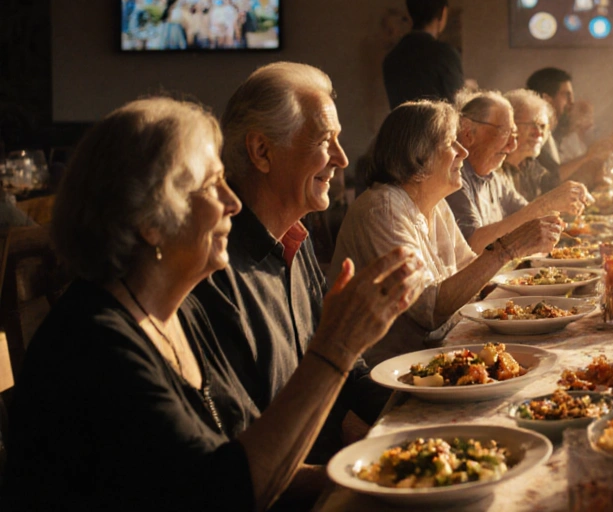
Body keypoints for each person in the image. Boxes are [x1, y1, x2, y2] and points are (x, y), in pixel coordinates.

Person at [1, 97, 416, 511]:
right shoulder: (92, 346)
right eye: (210, 185)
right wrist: (335, 350)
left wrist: (376, 472)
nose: (233, 203)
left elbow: (246, 452)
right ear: (149, 220)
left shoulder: (184, 311)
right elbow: (223, 491)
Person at [193, 62, 389, 460]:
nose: (342, 159)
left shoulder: (296, 240)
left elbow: (349, 375)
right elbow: (241, 462)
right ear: (262, 151)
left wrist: (441, 396)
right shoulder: (211, 270)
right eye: (324, 141)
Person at [332, 101, 562, 366]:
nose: (463, 152)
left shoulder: (436, 203)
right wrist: (508, 249)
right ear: (418, 156)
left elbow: (471, 276)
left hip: (438, 355)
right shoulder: (383, 209)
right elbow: (430, 311)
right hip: (391, 372)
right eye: (451, 143)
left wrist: (542, 296)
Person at [446, 90, 590, 254]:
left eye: (514, 134)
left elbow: (529, 217)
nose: (511, 146)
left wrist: (557, 208)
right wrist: (545, 204)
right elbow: (472, 246)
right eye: (505, 132)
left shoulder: (494, 177)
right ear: (467, 131)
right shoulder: (453, 176)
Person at [525, 67, 613, 186]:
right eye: (566, 96)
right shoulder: (534, 135)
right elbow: (551, 179)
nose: (572, 102)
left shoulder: (554, 132)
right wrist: (588, 155)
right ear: (547, 100)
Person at [382, 0, 465, 108]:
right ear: (443, 12)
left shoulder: (391, 59)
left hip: (401, 128)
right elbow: (457, 107)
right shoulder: (445, 54)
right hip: (439, 128)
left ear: (410, 15)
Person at [501, 88, 558, 200]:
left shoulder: (530, 166)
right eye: (531, 125)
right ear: (510, 125)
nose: (538, 134)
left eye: (542, 127)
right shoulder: (493, 169)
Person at [556, 99, 595, 164]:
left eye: (591, 116)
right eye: (588, 116)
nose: (592, 122)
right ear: (578, 119)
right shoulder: (568, 142)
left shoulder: (583, 143)